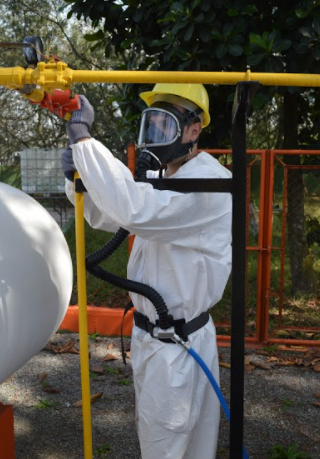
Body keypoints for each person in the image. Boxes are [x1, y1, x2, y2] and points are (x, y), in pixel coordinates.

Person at [61, 83, 232, 459]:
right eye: (151, 124)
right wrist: (83, 183)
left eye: (165, 124)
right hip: (163, 342)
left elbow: (138, 211)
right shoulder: (165, 177)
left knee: (168, 448)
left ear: (193, 129)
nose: (155, 135)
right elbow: (114, 215)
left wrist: (86, 143)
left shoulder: (209, 184)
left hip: (177, 347)